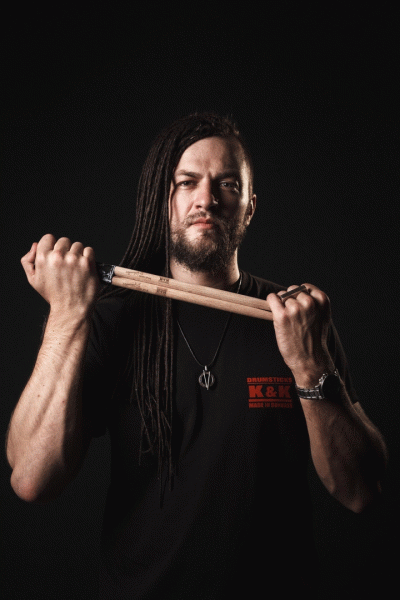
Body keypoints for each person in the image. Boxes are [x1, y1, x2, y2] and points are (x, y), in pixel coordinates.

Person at [7, 113, 387, 599]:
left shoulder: (296, 321)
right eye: (186, 182)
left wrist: (310, 366)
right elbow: (32, 479)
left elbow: (362, 492)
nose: (206, 199)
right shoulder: (109, 319)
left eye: (227, 184)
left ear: (249, 207)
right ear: (161, 199)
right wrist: (65, 315)